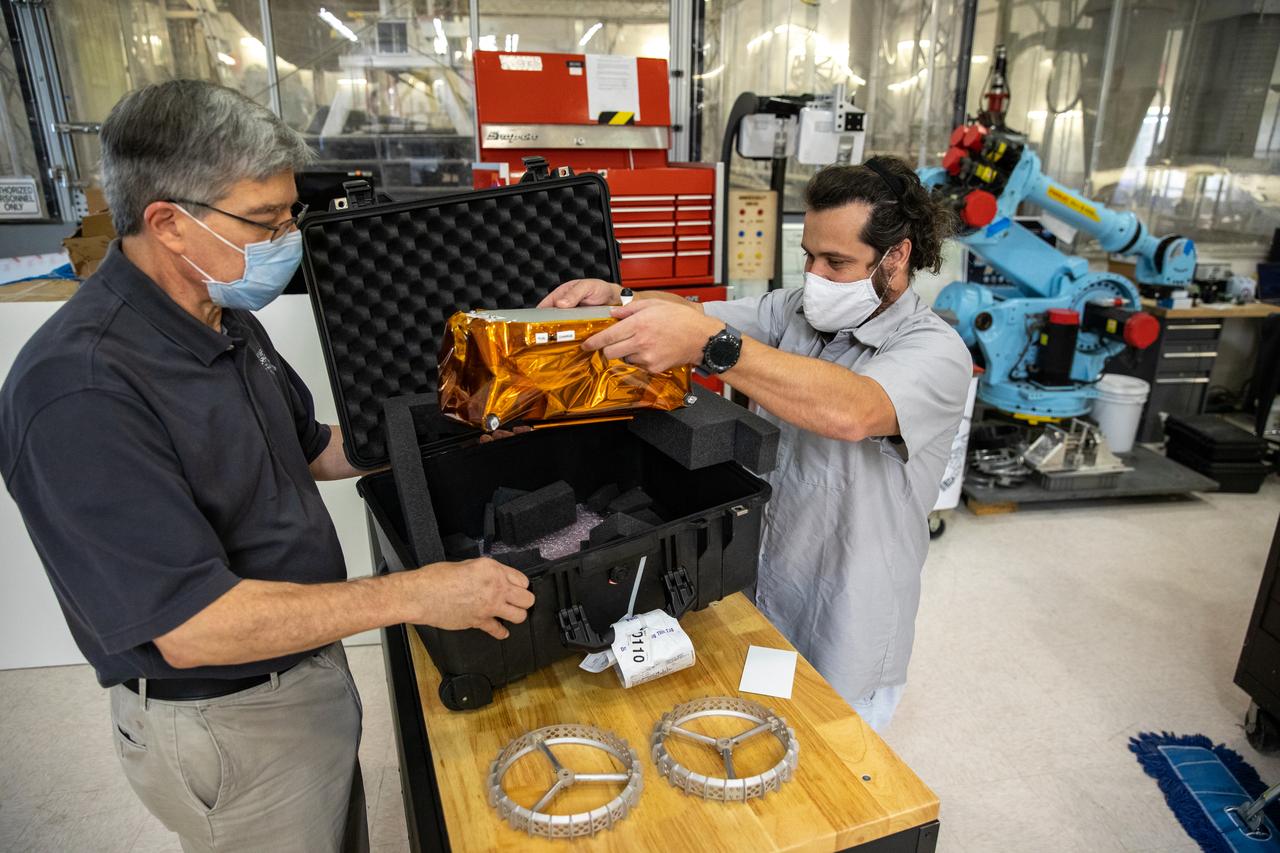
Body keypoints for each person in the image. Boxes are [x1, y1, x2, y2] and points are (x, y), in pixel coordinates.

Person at [0, 80, 534, 852]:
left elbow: (313, 448)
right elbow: (193, 627)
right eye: (266, 220)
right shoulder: (80, 390)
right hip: (230, 717)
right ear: (169, 223)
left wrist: (466, 417)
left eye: (291, 215)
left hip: (305, 667)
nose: (289, 238)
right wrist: (417, 592)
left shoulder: (224, 316)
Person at [540, 156, 972, 732]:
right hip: (766, 586)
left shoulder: (934, 350)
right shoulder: (792, 312)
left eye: (837, 262)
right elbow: (696, 315)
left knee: (833, 762)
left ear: (897, 256)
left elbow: (853, 410)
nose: (815, 276)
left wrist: (713, 347)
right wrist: (621, 297)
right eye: (809, 257)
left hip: (849, 616)